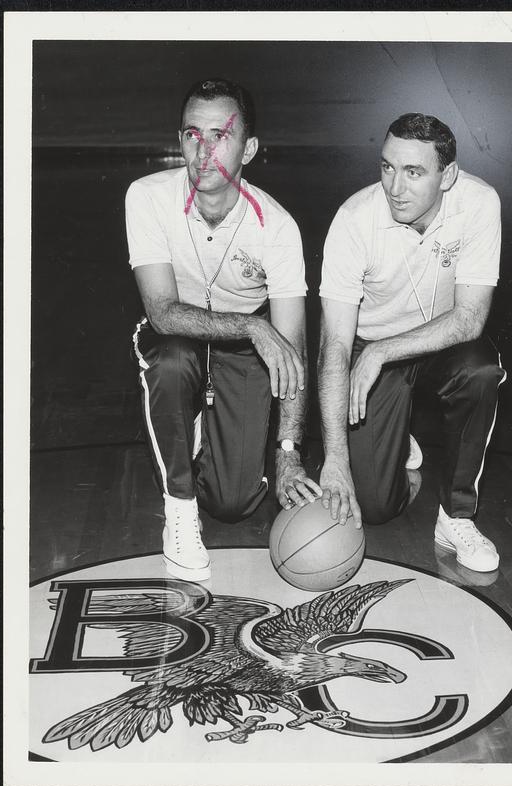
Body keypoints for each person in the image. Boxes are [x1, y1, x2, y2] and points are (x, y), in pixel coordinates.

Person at [126, 78, 320, 582]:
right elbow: (164, 311)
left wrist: (289, 454)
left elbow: (292, 349)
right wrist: (251, 327)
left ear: (249, 149)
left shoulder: (276, 227)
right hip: (180, 335)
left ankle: (200, 428)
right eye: (193, 135)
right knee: (170, 360)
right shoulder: (147, 197)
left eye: (220, 135)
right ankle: (179, 509)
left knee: (234, 504)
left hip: (242, 351)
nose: (203, 150)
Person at [318, 113, 506, 573]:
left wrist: (384, 351)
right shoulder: (354, 220)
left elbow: (469, 319)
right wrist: (335, 458)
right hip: (369, 350)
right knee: (375, 509)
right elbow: (335, 346)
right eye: (387, 167)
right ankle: (398, 442)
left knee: (481, 369)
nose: (394, 188)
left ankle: (456, 516)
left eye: (414, 172)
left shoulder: (479, 204)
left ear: (449, 175)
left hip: (441, 344)